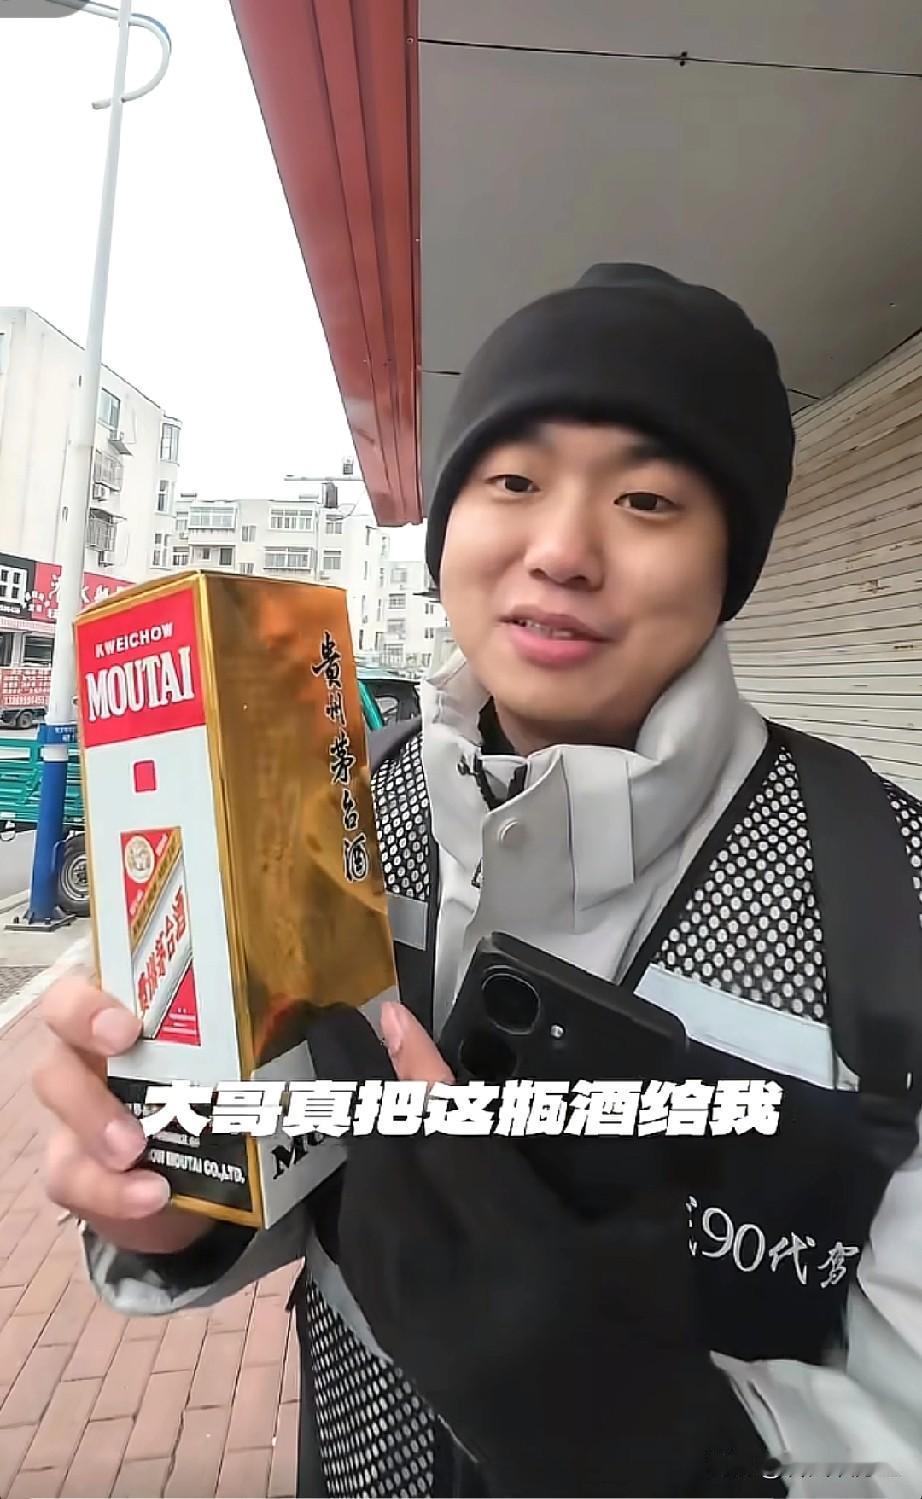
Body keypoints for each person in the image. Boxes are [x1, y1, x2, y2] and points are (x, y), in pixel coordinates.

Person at [34, 265, 922, 1498]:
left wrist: (665, 1449)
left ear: (732, 558)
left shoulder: (889, 886)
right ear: (446, 520)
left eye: (648, 498)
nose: (560, 550)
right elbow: (290, 1162)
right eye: (511, 481)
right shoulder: (338, 813)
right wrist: (171, 1206)